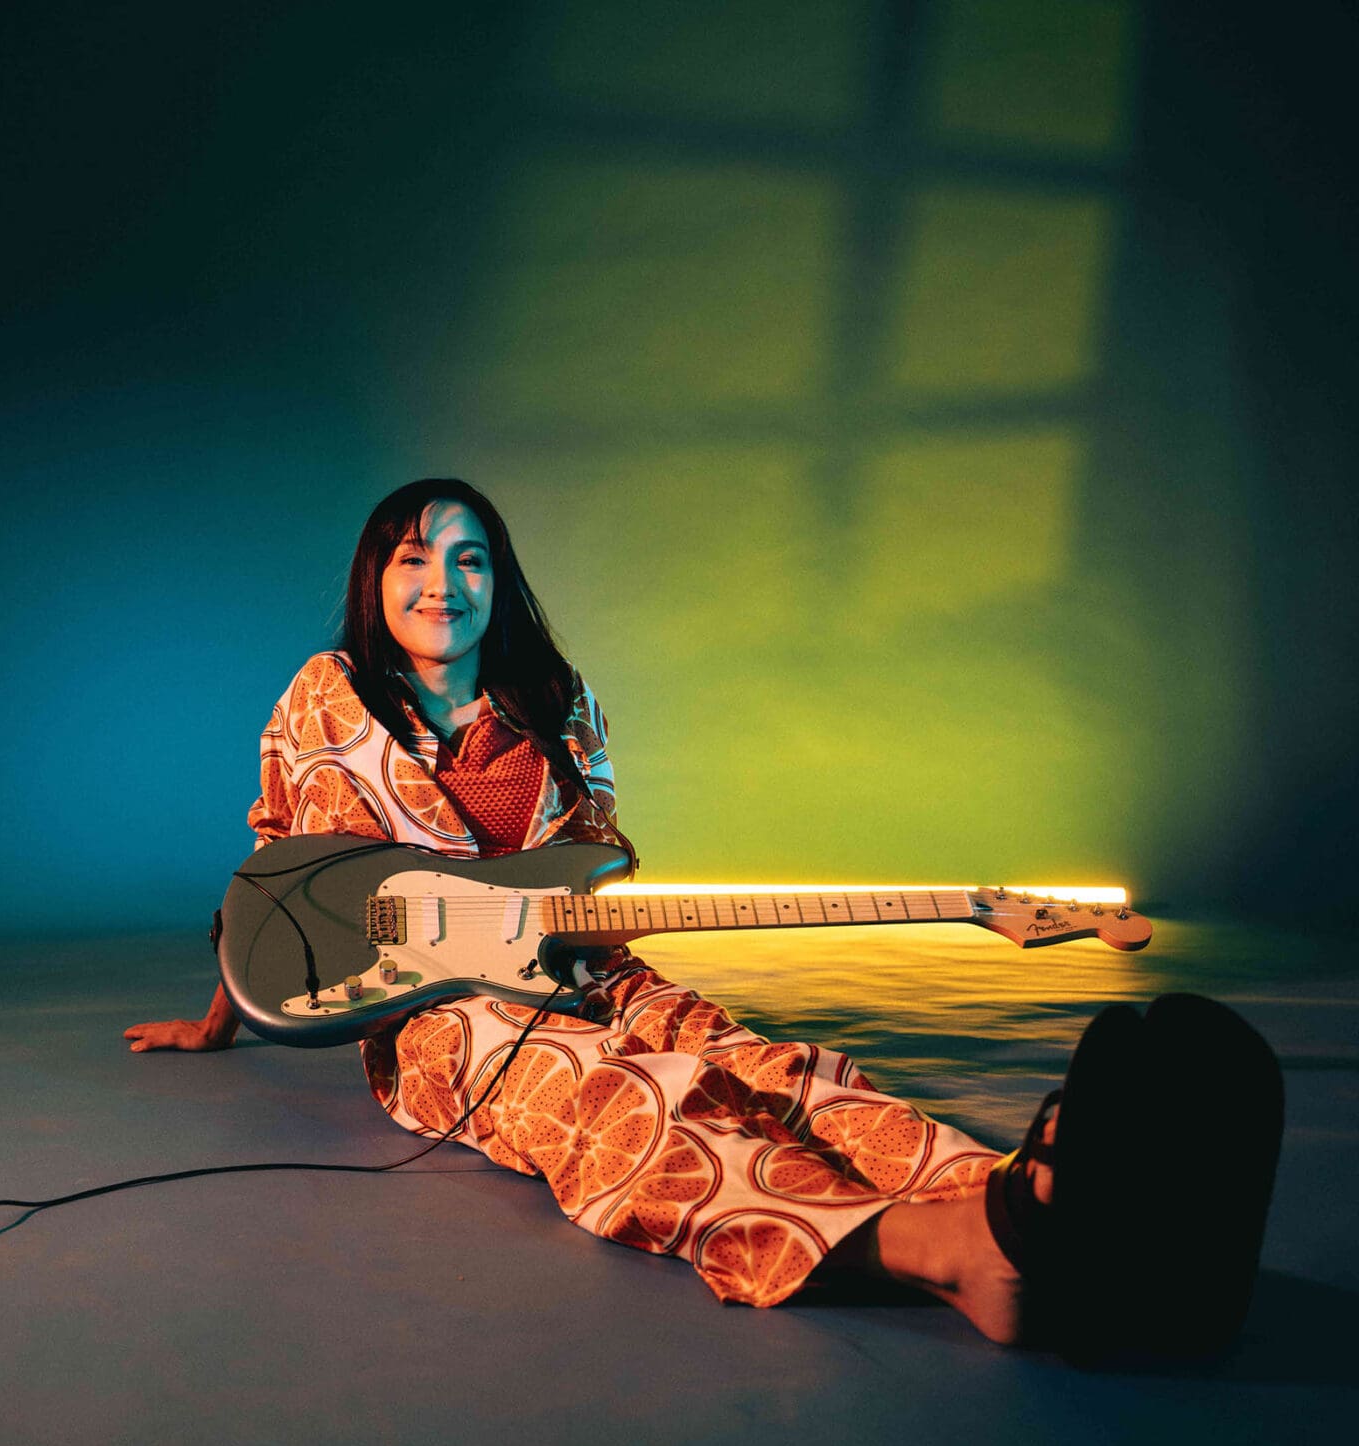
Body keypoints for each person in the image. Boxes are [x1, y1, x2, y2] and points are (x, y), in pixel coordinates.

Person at [122, 479, 1281, 1358]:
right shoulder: (324, 696)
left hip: (584, 967)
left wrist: (591, 930)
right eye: (414, 556)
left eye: (470, 558)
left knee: (774, 1071)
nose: (442, 582)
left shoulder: (558, 703)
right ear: (375, 576)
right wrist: (225, 1017)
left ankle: (1044, 1207)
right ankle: (951, 1250)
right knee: (614, 1096)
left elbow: (586, 870)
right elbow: (276, 871)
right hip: (432, 1019)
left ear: (497, 580)